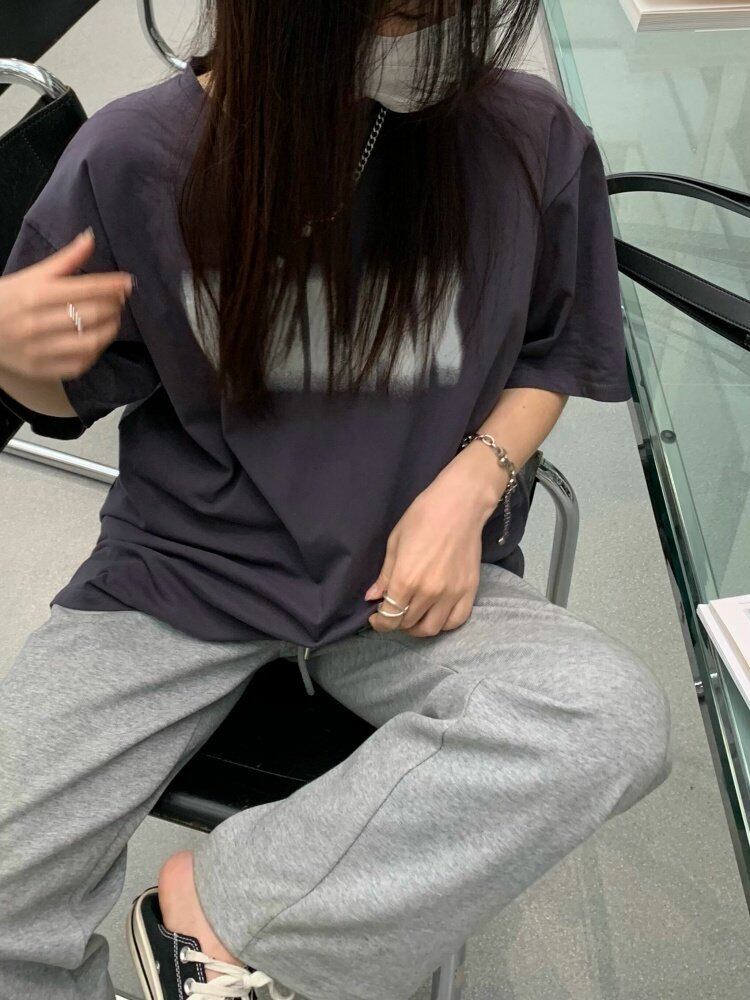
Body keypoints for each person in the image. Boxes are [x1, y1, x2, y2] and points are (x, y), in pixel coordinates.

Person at [0, 2, 672, 999]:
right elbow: (71, 392)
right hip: (183, 567)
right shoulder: (138, 157)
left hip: (410, 582)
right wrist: (17, 361)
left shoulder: (525, 137)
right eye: (403, 12)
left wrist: (472, 482)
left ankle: (217, 914)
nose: (436, 35)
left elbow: (554, 347)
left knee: (608, 720)